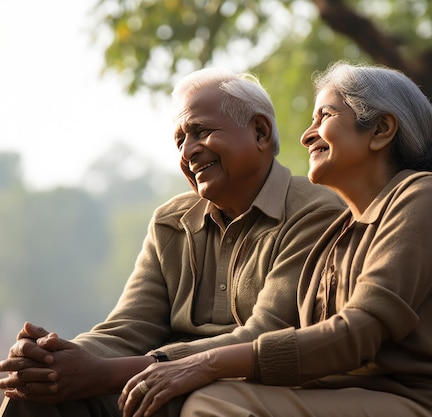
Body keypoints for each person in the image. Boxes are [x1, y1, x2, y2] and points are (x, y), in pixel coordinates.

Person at [114, 61, 432, 417]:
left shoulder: (427, 195)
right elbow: (307, 344)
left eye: (325, 116)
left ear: (381, 130)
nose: (306, 135)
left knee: (216, 405)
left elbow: (356, 334)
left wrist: (204, 363)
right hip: (374, 397)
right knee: (211, 398)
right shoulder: (336, 235)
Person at [0, 68, 346, 417]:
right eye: (180, 140)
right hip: (152, 382)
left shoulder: (315, 211)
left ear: (260, 132)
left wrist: (109, 373)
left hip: (244, 391)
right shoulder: (171, 222)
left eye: (201, 131)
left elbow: (267, 334)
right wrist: (51, 359)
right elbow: (128, 329)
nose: (189, 151)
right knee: (33, 392)